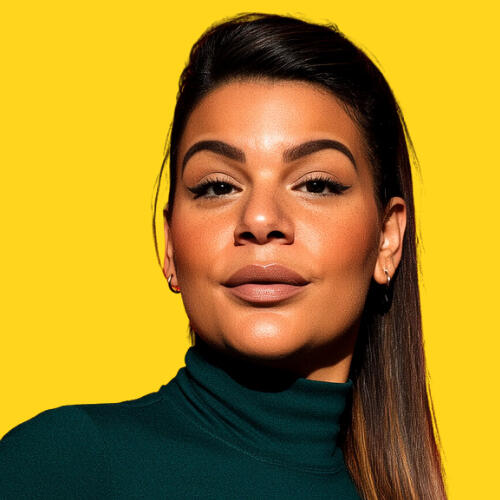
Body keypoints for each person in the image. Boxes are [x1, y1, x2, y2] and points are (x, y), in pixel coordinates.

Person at [0, 12, 447, 499]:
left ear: (387, 239)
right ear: (171, 245)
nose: (260, 219)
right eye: (217, 187)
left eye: (316, 184)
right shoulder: (63, 466)